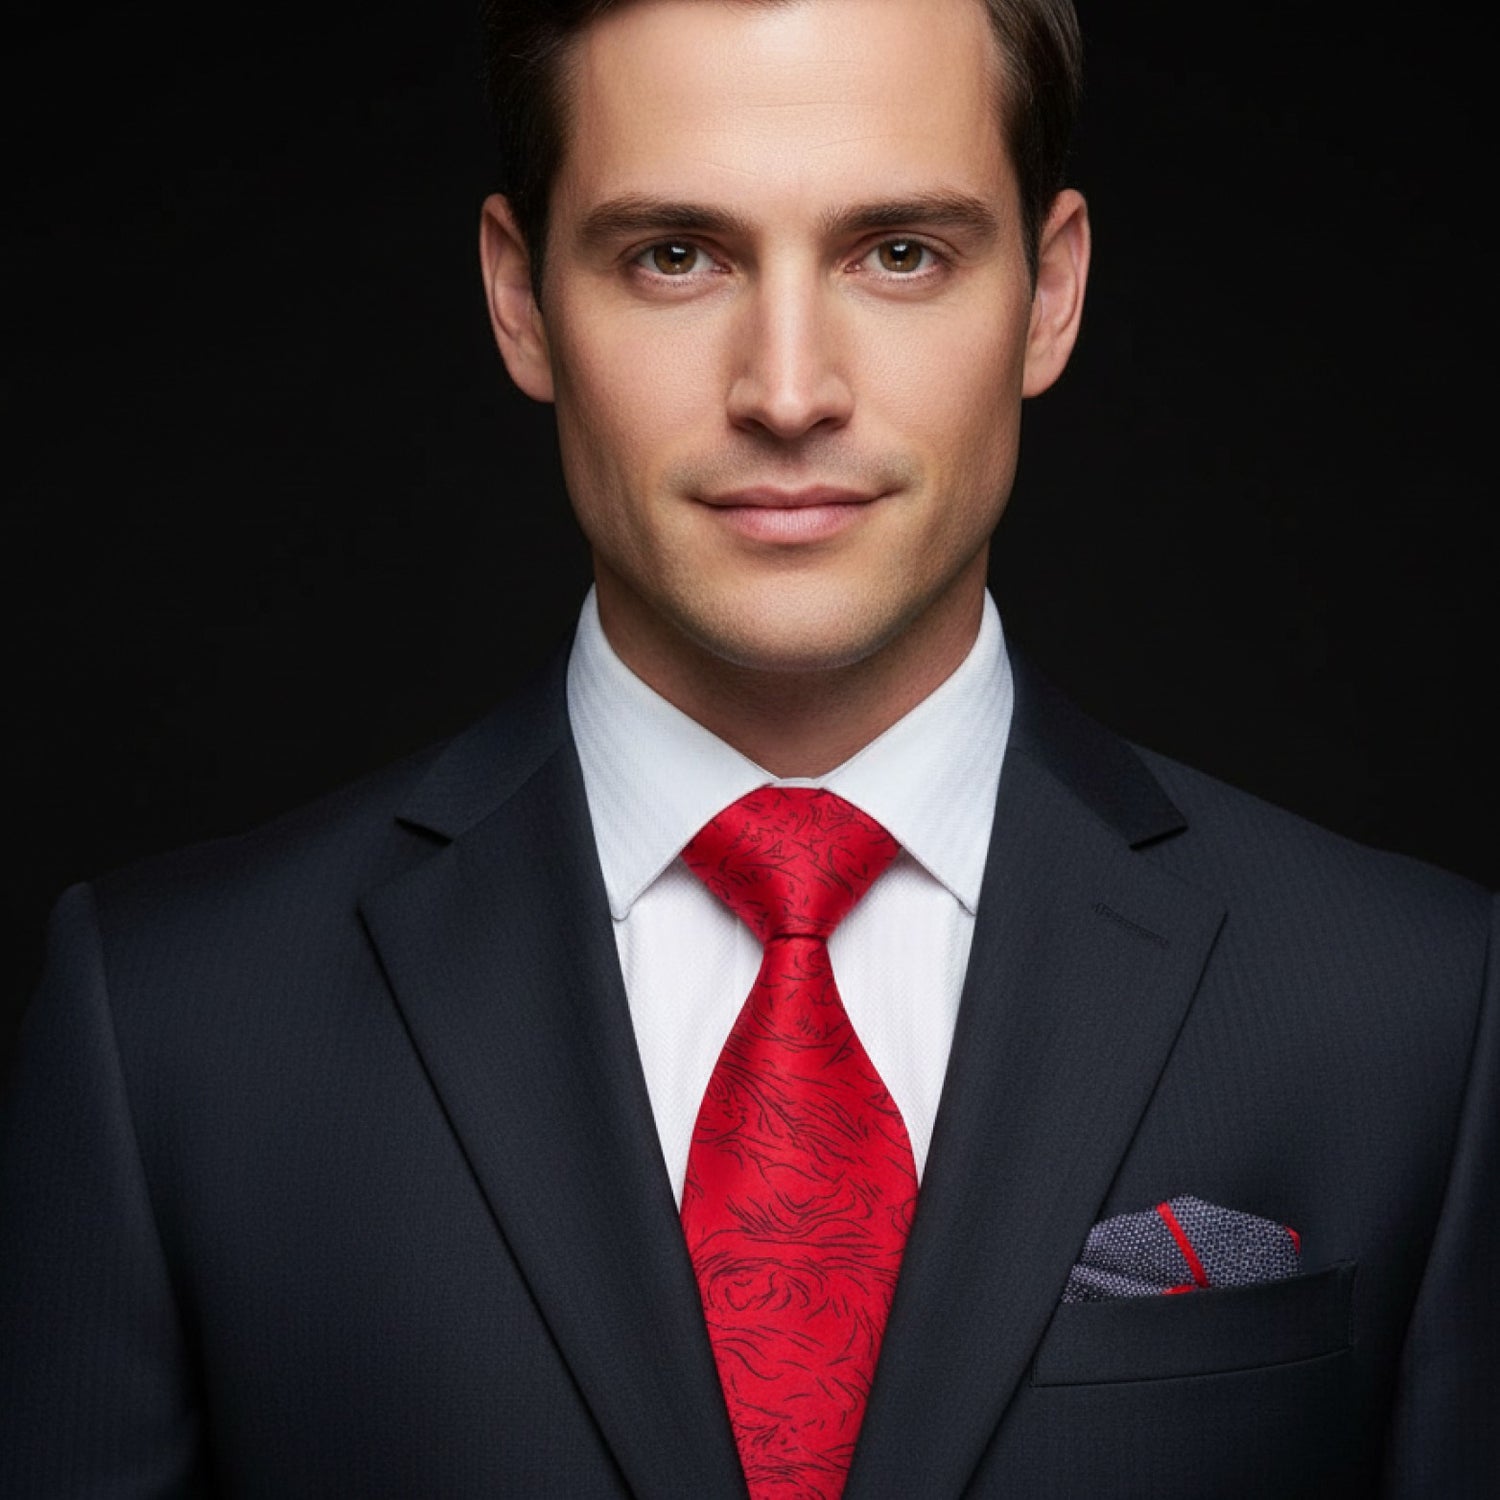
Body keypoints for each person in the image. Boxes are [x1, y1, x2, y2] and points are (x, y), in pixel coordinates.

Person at [1, 0, 1494, 1494]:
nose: (788, 393)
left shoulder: (1415, 1011)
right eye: (676, 255)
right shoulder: (173, 1032)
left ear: (1050, 292)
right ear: (522, 300)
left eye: (901, 253)